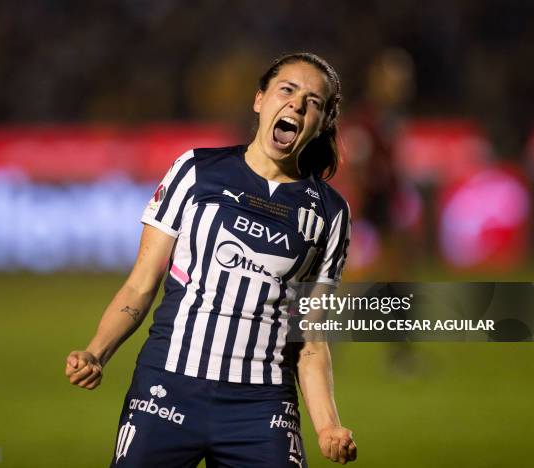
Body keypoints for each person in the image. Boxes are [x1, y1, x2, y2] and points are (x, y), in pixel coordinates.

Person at [65, 52, 357, 467]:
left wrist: (328, 426)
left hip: (262, 406)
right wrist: (97, 352)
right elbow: (140, 284)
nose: (296, 104)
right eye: (287, 90)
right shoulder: (196, 171)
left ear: (323, 120)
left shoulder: (331, 213)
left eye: (313, 101)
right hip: (167, 389)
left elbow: (309, 339)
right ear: (260, 100)